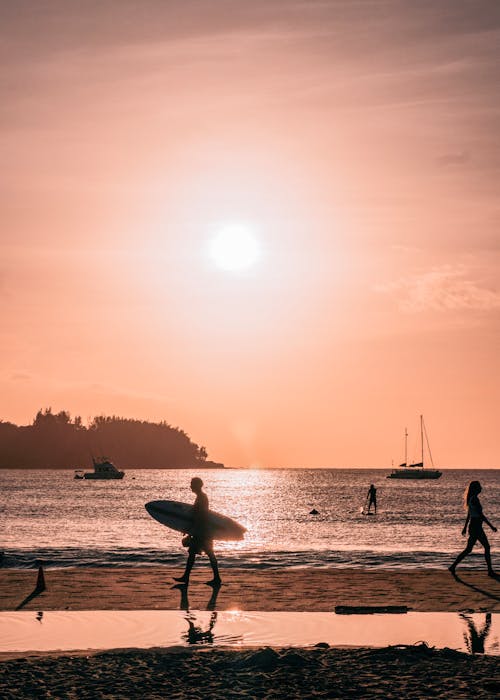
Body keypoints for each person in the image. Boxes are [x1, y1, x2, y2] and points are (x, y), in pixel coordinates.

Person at [174, 477, 221, 586]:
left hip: (202, 532)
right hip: (202, 530)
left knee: (208, 554)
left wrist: (190, 531)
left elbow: (200, 517)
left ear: (197, 485)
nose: (190, 486)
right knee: (195, 554)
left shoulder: (201, 498)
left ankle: (216, 578)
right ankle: (187, 577)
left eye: (192, 484)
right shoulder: (201, 497)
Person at [449, 480, 497, 577]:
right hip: (476, 527)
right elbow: (480, 515)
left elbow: (469, 514)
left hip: (474, 526)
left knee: (469, 549)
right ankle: (490, 571)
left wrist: (465, 527)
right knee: (486, 547)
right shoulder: (474, 499)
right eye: (479, 486)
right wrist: (491, 526)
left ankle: (453, 566)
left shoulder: (471, 498)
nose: (481, 488)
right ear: (475, 489)